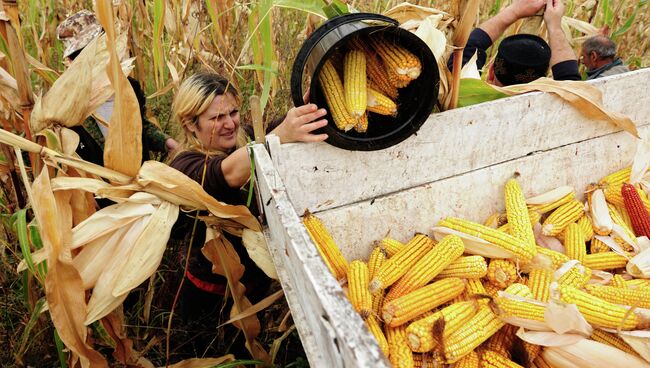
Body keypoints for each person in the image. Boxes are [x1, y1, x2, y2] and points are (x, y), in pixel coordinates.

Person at [166, 72, 327, 357]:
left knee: (247, 352)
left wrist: (304, 110)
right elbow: (224, 173)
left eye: (233, 112)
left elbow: (271, 131)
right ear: (190, 125)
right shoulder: (183, 166)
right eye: (216, 118)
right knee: (212, 356)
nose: (229, 124)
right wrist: (279, 137)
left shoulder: (241, 140)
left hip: (255, 288)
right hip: (212, 297)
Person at [56, 10, 178, 167]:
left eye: (93, 50)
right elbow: (37, 144)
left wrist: (166, 142)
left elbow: (139, 126)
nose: (88, 60)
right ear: (71, 61)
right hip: (96, 186)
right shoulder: (64, 103)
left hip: (139, 180)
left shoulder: (129, 87)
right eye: (78, 55)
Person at [449, 0, 580, 86]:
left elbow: (466, 49)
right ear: (543, 82)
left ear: (491, 72)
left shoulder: (459, 96)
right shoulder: (561, 110)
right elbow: (569, 81)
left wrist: (514, 11)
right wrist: (554, 25)